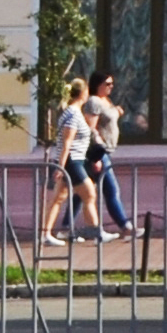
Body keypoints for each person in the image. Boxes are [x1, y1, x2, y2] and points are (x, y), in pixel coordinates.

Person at [36, 76, 101, 246]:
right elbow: (67, 142)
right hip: (72, 161)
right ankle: (95, 233)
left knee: (58, 197)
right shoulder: (72, 114)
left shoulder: (74, 112)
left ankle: (45, 234)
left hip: (74, 160)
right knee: (89, 193)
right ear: (83, 94)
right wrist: (60, 166)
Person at [83, 72, 135, 239]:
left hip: (106, 151)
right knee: (112, 189)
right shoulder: (94, 101)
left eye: (112, 83)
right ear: (98, 84)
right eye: (108, 84)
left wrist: (117, 112)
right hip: (99, 152)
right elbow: (91, 127)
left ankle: (66, 226)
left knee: (82, 192)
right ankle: (126, 227)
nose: (111, 86)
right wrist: (96, 155)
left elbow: (108, 118)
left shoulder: (106, 101)